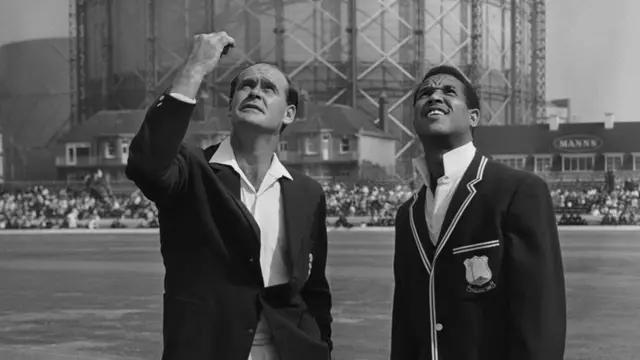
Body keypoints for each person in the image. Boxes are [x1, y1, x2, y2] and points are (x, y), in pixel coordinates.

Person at [125, 31, 333, 360]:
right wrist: (195, 67)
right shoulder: (192, 171)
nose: (255, 92)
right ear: (231, 108)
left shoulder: (307, 192)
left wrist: (322, 348)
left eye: (269, 88)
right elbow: (146, 166)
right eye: (246, 86)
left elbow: (314, 290)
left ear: (289, 114)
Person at [390, 65, 566, 360]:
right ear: (413, 119)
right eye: (425, 93)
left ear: (473, 117)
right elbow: (405, 323)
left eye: (448, 92)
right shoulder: (407, 215)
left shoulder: (517, 191)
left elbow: (540, 316)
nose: (435, 96)